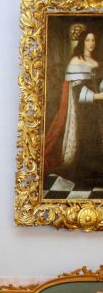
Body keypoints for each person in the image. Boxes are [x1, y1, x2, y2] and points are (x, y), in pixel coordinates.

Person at [45, 30, 103, 187]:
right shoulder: (76, 61)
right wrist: (97, 96)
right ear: (82, 41)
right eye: (88, 40)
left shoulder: (95, 61)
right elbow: (77, 91)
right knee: (88, 137)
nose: (91, 43)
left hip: (99, 108)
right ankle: (87, 174)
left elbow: (99, 83)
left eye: (93, 40)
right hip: (84, 109)